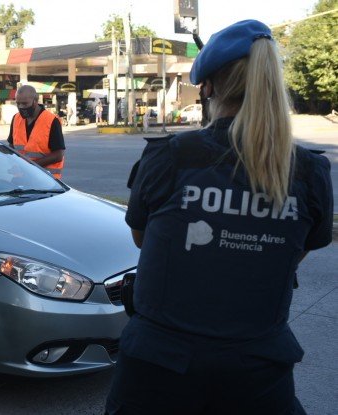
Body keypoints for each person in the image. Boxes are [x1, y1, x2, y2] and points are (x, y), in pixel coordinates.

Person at [106, 20, 333, 414]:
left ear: (208, 87)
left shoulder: (170, 156)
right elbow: (295, 252)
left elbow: (142, 239)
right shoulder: (309, 171)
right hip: (257, 374)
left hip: (158, 371)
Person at [7, 85, 65, 179]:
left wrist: (30, 167)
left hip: (45, 178)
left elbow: (58, 155)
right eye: (18, 103)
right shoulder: (16, 118)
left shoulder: (51, 120)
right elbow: (11, 146)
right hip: (21, 177)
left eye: (25, 104)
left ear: (36, 100)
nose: (21, 107)